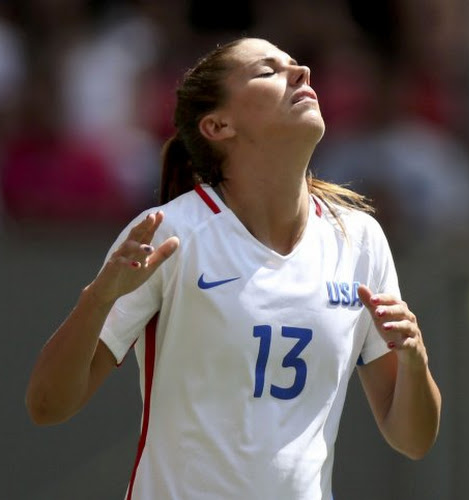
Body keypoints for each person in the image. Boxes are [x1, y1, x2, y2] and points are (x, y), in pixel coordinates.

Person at [25, 37, 441, 500]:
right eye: (268, 71)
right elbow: (47, 405)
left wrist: (415, 359)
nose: (301, 72)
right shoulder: (167, 234)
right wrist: (98, 298)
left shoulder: (359, 239)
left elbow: (413, 439)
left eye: (296, 64)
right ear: (219, 125)